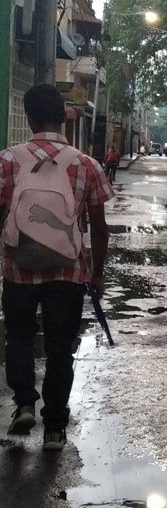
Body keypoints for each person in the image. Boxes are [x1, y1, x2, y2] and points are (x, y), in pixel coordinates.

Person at [0, 84, 114, 452]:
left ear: (30, 117)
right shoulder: (86, 164)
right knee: (60, 347)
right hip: (68, 272)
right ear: (65, 118)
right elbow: (99, 227)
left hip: (18, 269)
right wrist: (96, 275)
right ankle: (54, 429)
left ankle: (24, 403)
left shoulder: (7, 160)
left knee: (18, 336)